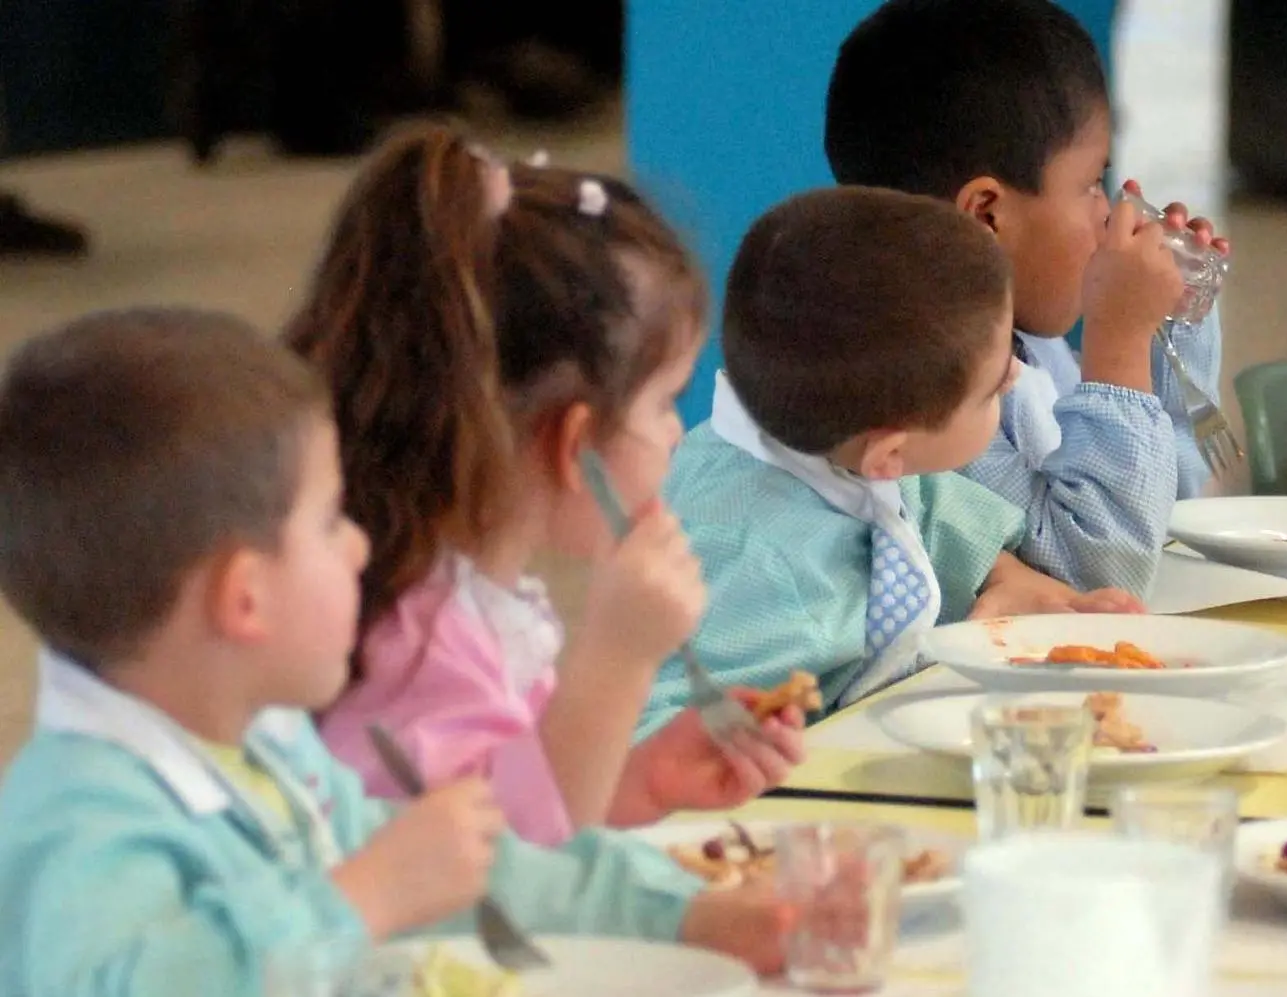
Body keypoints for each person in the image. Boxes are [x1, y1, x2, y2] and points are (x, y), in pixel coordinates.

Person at [0, 309, 786, 995]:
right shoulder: (74, 824)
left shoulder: (265, 744)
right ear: (243, 598)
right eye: (329, 520)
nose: (358, 545)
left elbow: (482, 867)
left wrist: (685, 915)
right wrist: (364, 896)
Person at [288, 123, 804, 848]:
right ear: (572, 441)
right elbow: (503, 872)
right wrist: (619, 658)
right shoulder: (415, 644)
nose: (674, 435)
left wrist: (637, 780)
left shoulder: (464, 600)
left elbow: (514, 788)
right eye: (663, 403)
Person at [637, 187, 1142, 736]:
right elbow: (650, 731)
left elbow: (930, 511)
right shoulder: (769, 577)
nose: (1017, 378)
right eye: (995, 388)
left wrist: (1012, 579)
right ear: (890, 453)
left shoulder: (824, 443)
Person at [824, 0, 1231, 597]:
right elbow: (1100, 575)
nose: (1110, 212)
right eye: (1092, 184)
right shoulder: (922, 402)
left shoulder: (1029, 350)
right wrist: (1117, 347)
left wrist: (1168, 320)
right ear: (987, 215)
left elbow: (1160, 513)